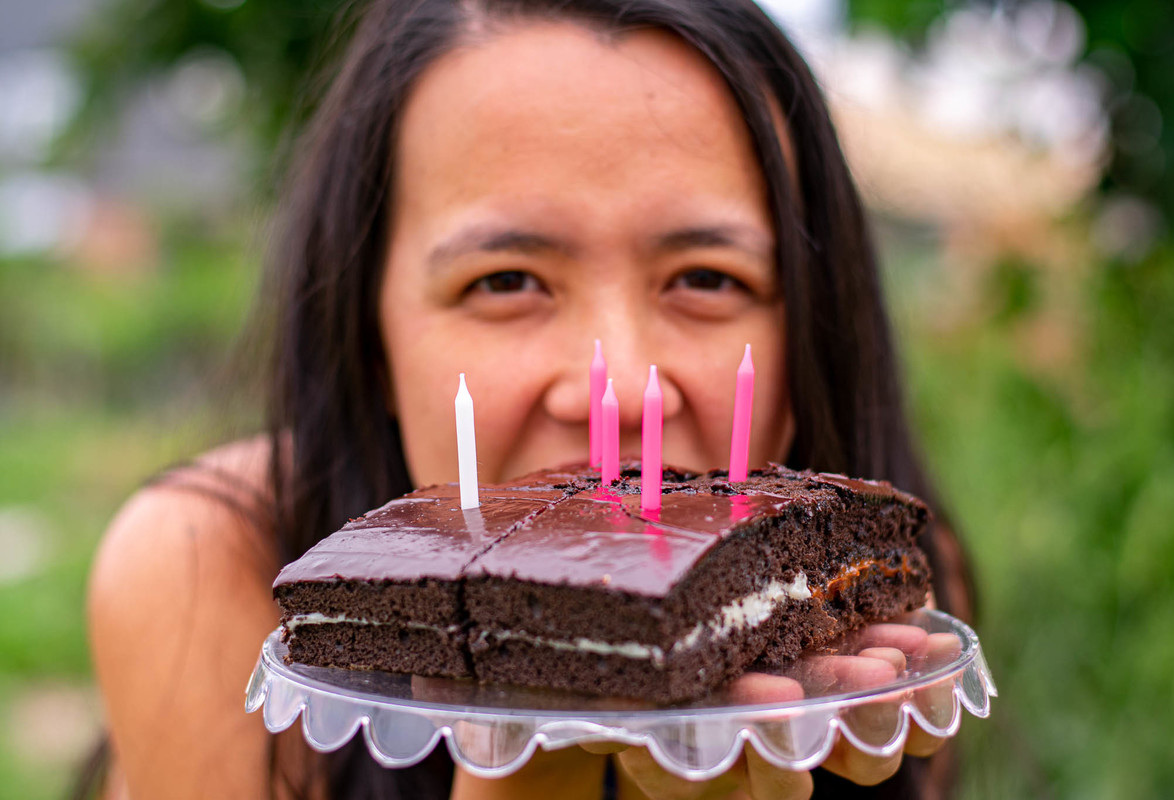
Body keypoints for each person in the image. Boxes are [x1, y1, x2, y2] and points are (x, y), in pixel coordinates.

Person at [86, 0, 974, 798]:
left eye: (707, 277)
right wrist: (527, 780)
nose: (616, 389)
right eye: (506, 280)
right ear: (369, 331)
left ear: (815, 329)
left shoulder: (872, 597)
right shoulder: (206, 570)